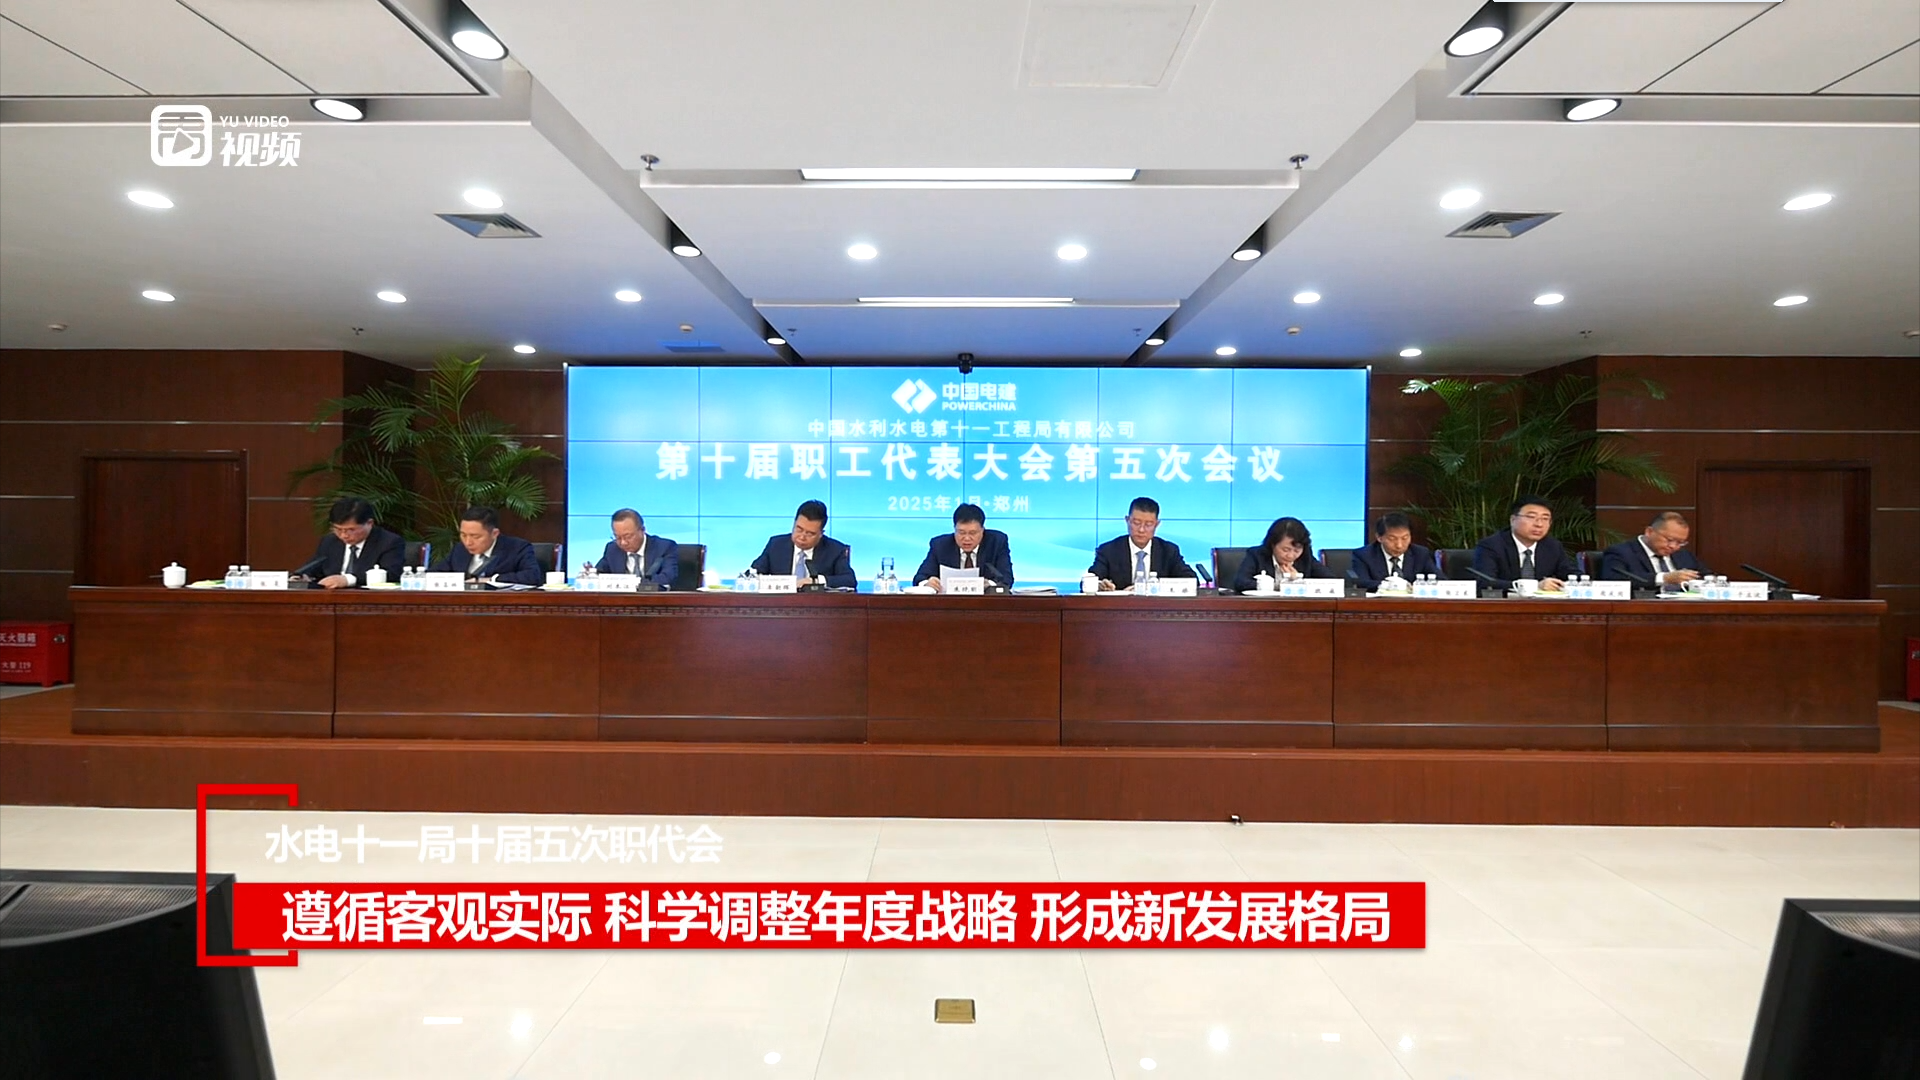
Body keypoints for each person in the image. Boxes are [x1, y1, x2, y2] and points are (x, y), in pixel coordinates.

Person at [1471, 495, 1577, 590]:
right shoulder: (1491, 545)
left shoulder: (1552, 546)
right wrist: (1534, 586)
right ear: (1513, 520)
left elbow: (1571, 574)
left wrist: (1578, 582)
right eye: (1531, 517)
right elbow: (1485, 582)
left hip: (1543, 604)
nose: (1539, 524)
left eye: (1545, 519)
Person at [1088, 497, 1195, 590]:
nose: (1141, 530)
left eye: (1148, 524)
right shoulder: (1108, 550)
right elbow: (1090, 579)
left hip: (1158, 607)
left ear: (1157, 524)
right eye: (1136, 523)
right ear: (1127, 520)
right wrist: (1099, 585)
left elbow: (1191, 580)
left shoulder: (1168, 551)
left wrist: (1153, 587)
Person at [749, 499, 856, 588]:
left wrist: (815, 581)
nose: (802, 537)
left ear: (821, 534)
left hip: (818, 605)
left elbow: (849, 580)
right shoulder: (776, 545)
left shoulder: (835, 550)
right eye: (799, 529)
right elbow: (752, 574)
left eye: (810, 533)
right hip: (780, 604)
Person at [303, 496, 405, 589]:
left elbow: (391, 575)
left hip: (368, 599)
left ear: (369, 523)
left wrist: (348, 580)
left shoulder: (389, 542)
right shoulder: (330, 541)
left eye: (351, 530)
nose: (344, 535)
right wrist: (303, 576)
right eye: (338, 529)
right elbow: (315, 568)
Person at [430, 506, 545, 585]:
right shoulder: (460, 549)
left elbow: (532, 576)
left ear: (494, 534)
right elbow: (434, 574)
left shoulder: (517, 548)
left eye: (475, 536)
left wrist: (490, 580)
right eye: (463, 535)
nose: (468, 542)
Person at [914, 503, 1013, 590]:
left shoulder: (996, 542)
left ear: (982, 530)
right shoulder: (940, 545)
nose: (966, 538)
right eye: (961, 532)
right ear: (954, 529)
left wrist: (990, 584)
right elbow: (919, 578)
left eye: (972, 533)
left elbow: (1007, 579)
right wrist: (927, 583)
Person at [1601, 511, 1707, 589]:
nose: (1673, 546)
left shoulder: (1684, 555)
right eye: (1669, 540)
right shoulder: (1621, 552)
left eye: (1680, 542)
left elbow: (1707, 576)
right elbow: (1613, 580)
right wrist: (1664, 578)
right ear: (1649, 532)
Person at [1230, 516, 1335, 592]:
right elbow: (1240, 582)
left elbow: (1332, 581)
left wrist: (1299, 582)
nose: (1291, 555)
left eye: (1296, 551)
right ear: (1272, 544)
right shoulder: (1257, 555)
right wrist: (1278, 585)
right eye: (1286, 550)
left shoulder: (1305, 557)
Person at [590, 508, 679, 588]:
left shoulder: (664, 547)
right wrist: (590, 574)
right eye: (617, 537)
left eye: (628, 537)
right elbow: (599, 573)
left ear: (642, 530)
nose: (623, 542)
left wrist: (633, 583)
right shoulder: (612, 549)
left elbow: (667, 577)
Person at [1347, 511, 1435, 591]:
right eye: (1392, 539)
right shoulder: (1363, 555)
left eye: (1405, 538)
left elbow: (1439, 580)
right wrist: (1391, 586)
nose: (1399, 545)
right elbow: (1362, 583)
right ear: (1379, 537)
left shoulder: (1421, 553)